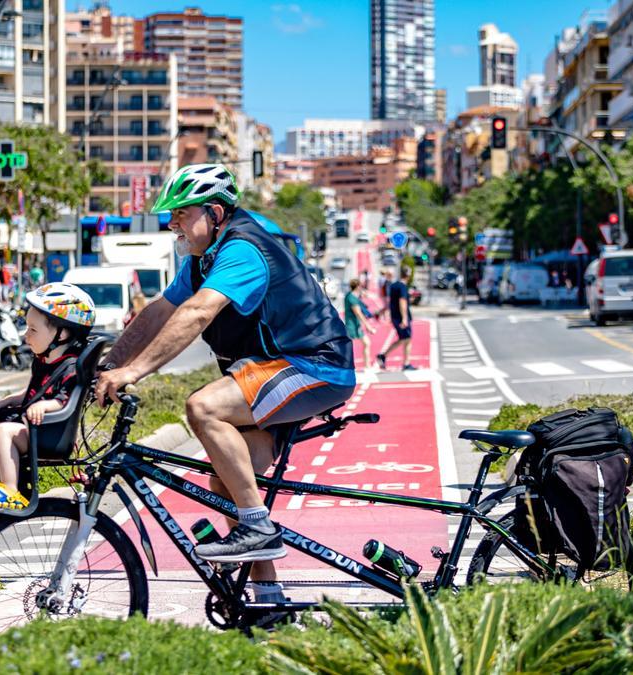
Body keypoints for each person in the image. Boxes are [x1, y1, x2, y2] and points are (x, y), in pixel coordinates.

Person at [94, 163, 355, 607]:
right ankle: (268, 600)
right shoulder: (200, 260)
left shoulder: (243, 250)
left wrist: (134, 373)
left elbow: (196, 315)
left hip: (313, 366)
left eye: (181, 213)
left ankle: (256, 527)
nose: (172, 223)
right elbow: (160, 311)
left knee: (203, 408)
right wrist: (110, 364)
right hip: (272, 368)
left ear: (214, 213)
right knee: (228, 485)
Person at [0, 283, 96, 509]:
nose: (25, 335)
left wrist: (45, 406)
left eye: (33, 329)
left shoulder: (71, 368)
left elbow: (66, 399)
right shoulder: (43, 361)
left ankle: (11, 490)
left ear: (63, 333)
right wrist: (11, 400)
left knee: (3, 432)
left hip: (50, 434)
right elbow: (35, 391)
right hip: (31, 430)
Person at [377, 267, 415, 371]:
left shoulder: (394, 285)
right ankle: (404, 363)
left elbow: (391, 301)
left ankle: (384, 356)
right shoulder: (402, 286)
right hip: (400, 316)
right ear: (408, 275)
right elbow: (402, 302)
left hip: (394, 316)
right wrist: (404, 318)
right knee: (407, 339)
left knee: (405, 339)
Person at [344, 278, 377, 369]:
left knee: (366, 343)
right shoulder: (352, 298)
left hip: (354, 324)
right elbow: (358, 313)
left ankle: (367, 366)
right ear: (358, 286)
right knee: (348, 347)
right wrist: (368, 326)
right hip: (352, 325)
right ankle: (347, 366)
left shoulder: (349, 295)